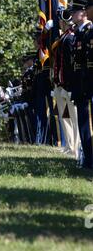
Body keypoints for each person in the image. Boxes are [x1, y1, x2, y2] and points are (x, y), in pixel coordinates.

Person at [52, 8, 80, 160]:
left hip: (67, 85)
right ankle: (69, 146)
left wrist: (69, 84)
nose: (60, 24)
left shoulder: (70, 38)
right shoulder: (63, 38)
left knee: (74, 119)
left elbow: (70, 64)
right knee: (65, 119)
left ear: (65, 22)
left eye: (61, 21)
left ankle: (76, 148)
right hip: (60, 84)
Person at [71, 0, 93, 170]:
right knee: (83, 122)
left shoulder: (88, 32)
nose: (71, 15)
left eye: (75, 11)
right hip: (82, 83)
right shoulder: (80, 34)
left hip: (88, 82)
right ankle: (88, 157)